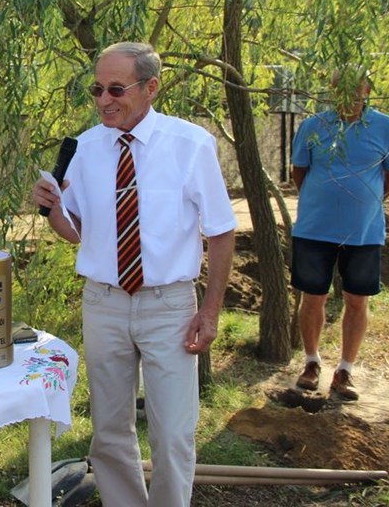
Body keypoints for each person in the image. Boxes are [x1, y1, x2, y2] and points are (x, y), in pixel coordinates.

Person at [32, 42, 236, 507]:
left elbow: (222, 232)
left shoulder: (191, 145)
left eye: (116, 89)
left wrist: (210, 312)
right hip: (103, 303)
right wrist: (54, 209)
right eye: (96, 89)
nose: (104, 100)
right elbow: (77, 231)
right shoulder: (85, 148)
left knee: (173, 434)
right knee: (108, 432)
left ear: (151, 88)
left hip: (170, 307)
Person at [291, 65, 389, 401]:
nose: (347, 95)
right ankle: (311, 362)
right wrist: (323, 200)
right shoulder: (313, 126)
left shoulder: (386, 127)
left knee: (357, 300)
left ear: (367, 90)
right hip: (314, 229)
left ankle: (345, 370)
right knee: (313, 298)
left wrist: (364, 202)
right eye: (340, 88)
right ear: (332, 92)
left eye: (354, 87)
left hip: (364, 232)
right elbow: (299, 172)